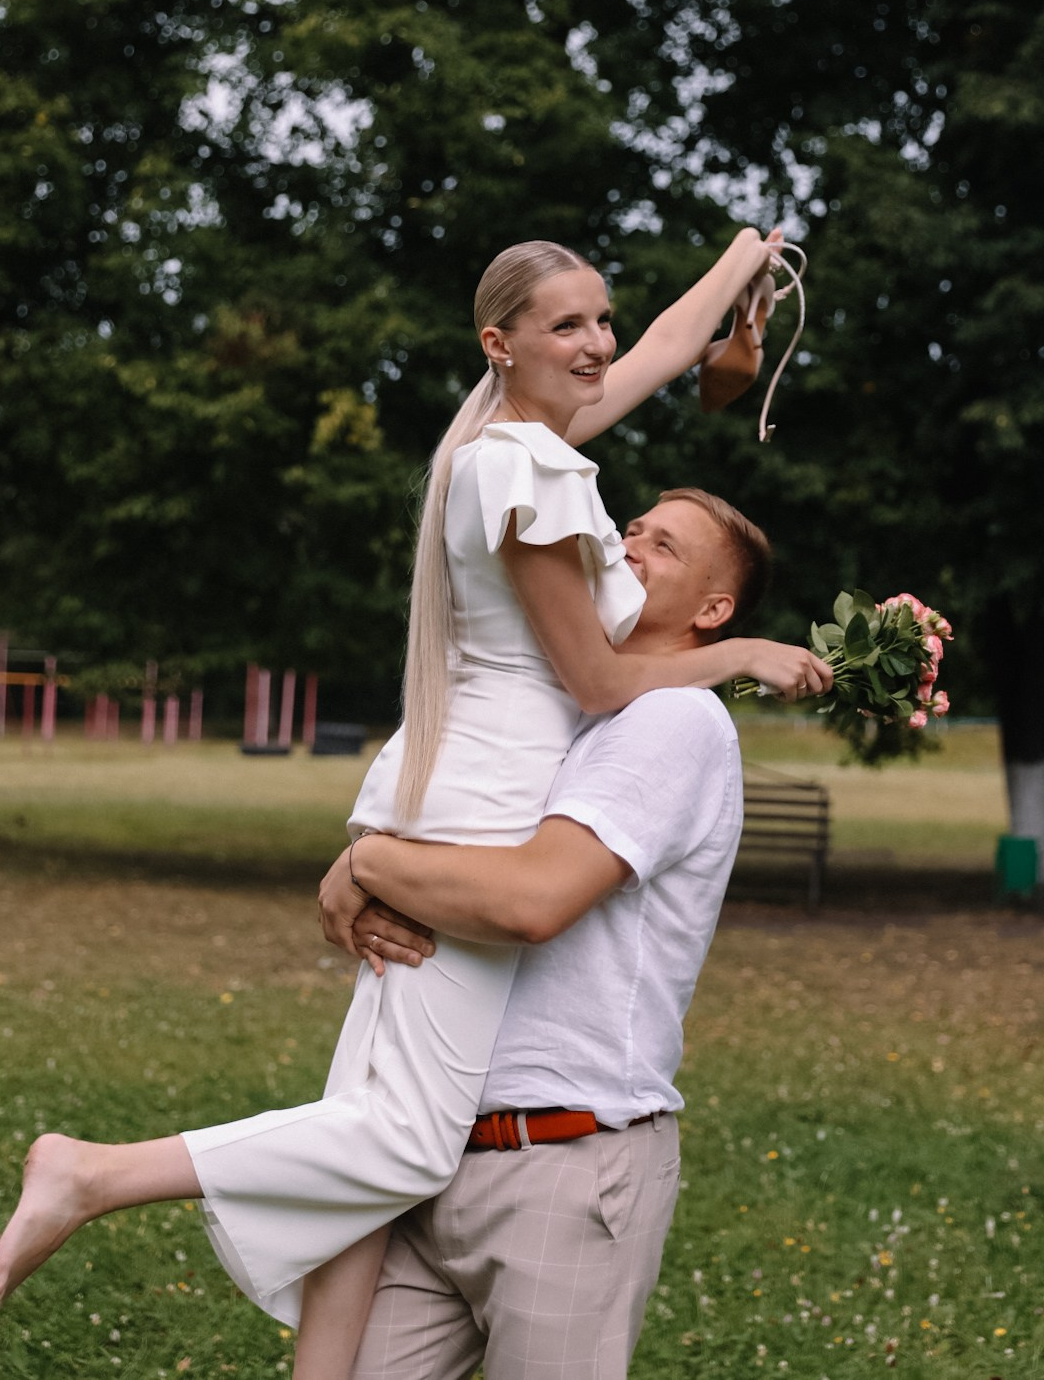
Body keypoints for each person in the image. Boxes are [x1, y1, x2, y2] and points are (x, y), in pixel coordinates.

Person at [0, 232, 831, 1378]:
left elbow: (675, 349)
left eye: (600, 318)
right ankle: (90, 1172)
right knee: (397, 1134)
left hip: (445, 791)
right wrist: (745, 659)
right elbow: (590, 682)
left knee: (368, 1122)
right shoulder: (524, 471)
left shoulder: (519, 447)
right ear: (499, 343)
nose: (598, 344)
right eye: (565, 324)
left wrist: (743, 257)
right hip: (482, 801)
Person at [315, 485, 769, 1380]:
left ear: (714, 610)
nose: (630, 545)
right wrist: (374, 849)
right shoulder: (563, 706)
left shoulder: (673, 721)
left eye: (665, 547)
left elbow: (533, 900)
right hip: (432, 1149)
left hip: (564, 1168)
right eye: (630, 528)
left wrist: (367, 862)